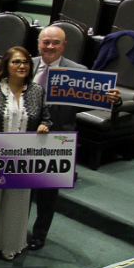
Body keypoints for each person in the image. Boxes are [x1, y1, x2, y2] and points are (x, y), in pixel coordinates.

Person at [28, 26, 120, 250]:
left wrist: (114, 100)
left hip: (57, 138)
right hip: (25, 135)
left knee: (48, 193)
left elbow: (93, 100)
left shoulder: (79, 71)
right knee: (21, 189)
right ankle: (17, 230)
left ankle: (39, 234)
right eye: (46, 41)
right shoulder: (25, 64)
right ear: (38, 43)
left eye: (55, 42)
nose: (50, 46)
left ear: (64, 45)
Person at [0, 47, 51, 260]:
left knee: (17, 201)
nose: (22, 66)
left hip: (22, 158)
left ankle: (10, 244)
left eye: (25, 62)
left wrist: (44, 126)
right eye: (16, 62)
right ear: (6, 65)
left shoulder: (36, 91)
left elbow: (46, 117)